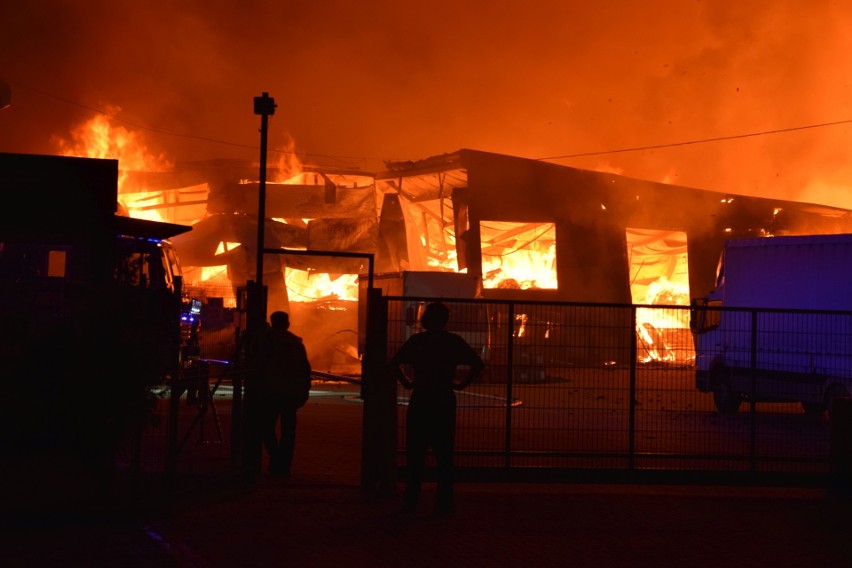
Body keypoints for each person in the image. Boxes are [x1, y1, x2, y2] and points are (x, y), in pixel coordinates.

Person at [390, 301, 485, 514]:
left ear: (425, 320)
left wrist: (407, 382)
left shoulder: (417, 341)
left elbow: (394, 362)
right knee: (444, 454)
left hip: (421, 398)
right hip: (443, 399)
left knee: (416, 453)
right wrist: (460, 384)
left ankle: (411, 500)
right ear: (445, 321)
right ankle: (443, 503)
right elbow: (478, 364)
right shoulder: (453, 342)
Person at [258, 311, 312, 476]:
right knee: (288, 433)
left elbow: (259, 364)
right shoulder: (296, 343)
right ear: (287, 323)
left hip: (272, 391)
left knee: (266, 427)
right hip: (291, 393)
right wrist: (304, 391)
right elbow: (305, 369)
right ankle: (283, 466)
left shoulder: (267, 341)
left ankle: (276, 459)